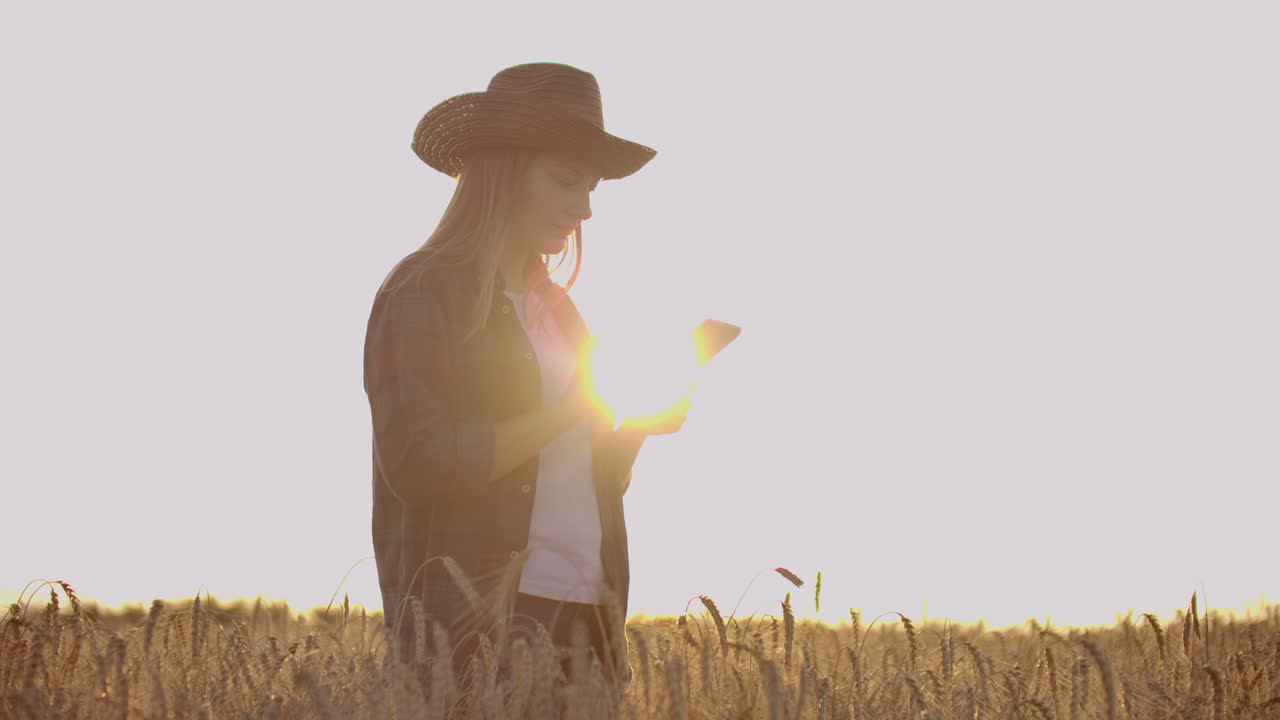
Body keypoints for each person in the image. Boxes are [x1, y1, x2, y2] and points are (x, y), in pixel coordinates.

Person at [362, 62, 690, 696]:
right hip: (481, 625)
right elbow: (417, 461)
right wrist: (567, 409)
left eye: (593, 187)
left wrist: (638, 429)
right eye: (566, 181)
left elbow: (586, 477)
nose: (585, 208)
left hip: (589, 612)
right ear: (504, 173)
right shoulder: (421, 290)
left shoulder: (559, 312)